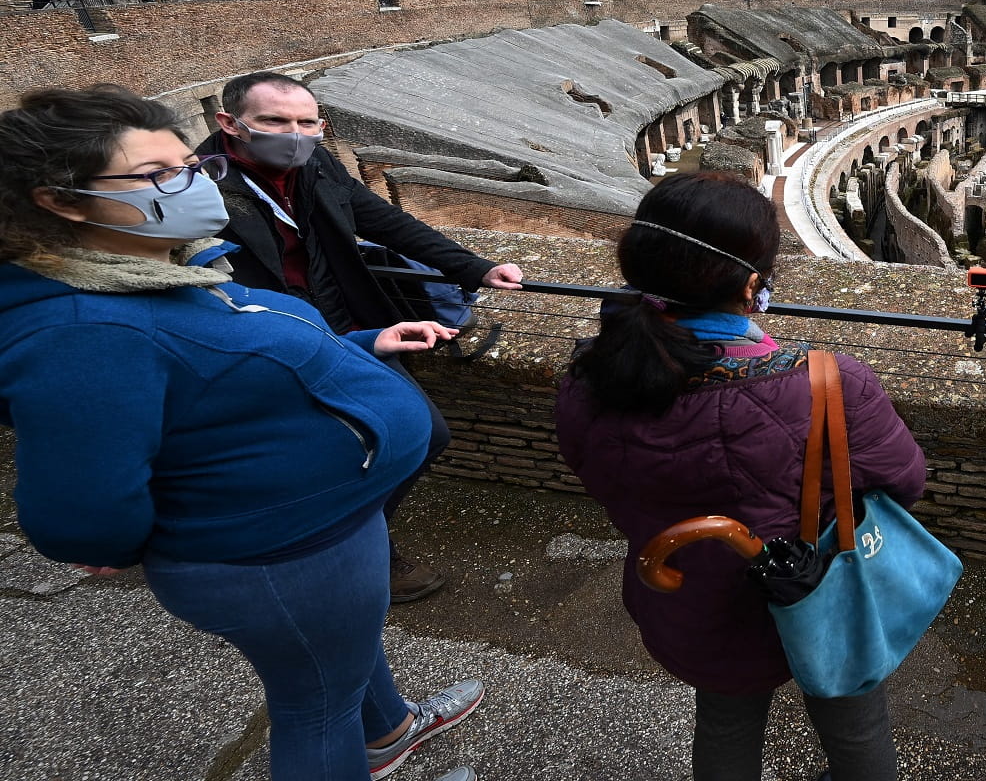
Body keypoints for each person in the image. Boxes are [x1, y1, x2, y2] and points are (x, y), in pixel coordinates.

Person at [0, 85, 482, 781]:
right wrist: (126, 538)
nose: (191, 183)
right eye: (158, 176)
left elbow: (224, 367)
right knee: (315, 706)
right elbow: (79, 515)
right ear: (60, 201)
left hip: (313, 537)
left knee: (336, 663)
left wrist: (365, 344)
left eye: (191, 167)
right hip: (276, 558)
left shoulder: (155, 262)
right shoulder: (85, 333)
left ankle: (390, 732)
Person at [555, 172, 927, 781]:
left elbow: (597, 476)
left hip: (691, 596)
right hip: (820, 589)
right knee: (857, 731)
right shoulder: (829, 385)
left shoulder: (587, 381)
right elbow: (906, 481)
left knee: (725, 725)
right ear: (754, 284)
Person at [195, 71, 526, 602]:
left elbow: (383, 220)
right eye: (275, 121)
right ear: (230, 123)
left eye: (307, 122)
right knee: (336, 447)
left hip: (352, 327)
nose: (295, 133)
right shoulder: (197, 186)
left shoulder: (315, 163)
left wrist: (473, 267)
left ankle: (352, 542)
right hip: (274, 340)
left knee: (424, 436)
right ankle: (358, 554)